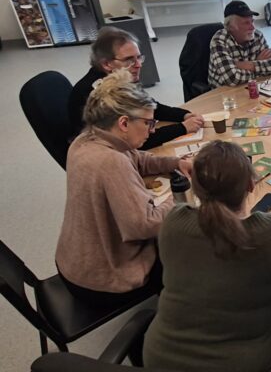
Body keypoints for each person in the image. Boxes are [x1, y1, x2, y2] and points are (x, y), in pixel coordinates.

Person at [143, 141, 271, 372]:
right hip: (242, 364)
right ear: (251, 185)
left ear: (194, 184)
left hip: (160, 360)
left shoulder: (173, 221)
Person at [56, 68, 193, 306]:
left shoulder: (86, 139)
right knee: (193, 248)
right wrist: (184, 193)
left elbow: (137, 159)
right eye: (149, 123)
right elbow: (146, 225)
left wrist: (176, 163)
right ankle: (183, 313)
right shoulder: (111, 161)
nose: (153, 130)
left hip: (75, 263)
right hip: (103, 279)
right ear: (124, 123)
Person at [69, 27, 204, 150]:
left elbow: (150, 106)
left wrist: (183, 115)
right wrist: (182, 128)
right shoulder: (101, 94)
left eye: (139, 57)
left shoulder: (119, 77)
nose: (138, 65)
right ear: (106, 64)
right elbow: (136, 139)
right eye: (129, 60)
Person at [208, 0, 271, 89]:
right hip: (223, 93)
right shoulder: (219, 40)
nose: (252, 27)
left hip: (253, 88)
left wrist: (246, 65)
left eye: (252, 21)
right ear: (230, 26)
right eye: (246, 23)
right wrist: (259, 66)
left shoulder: (257, 35)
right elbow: (232, 78)